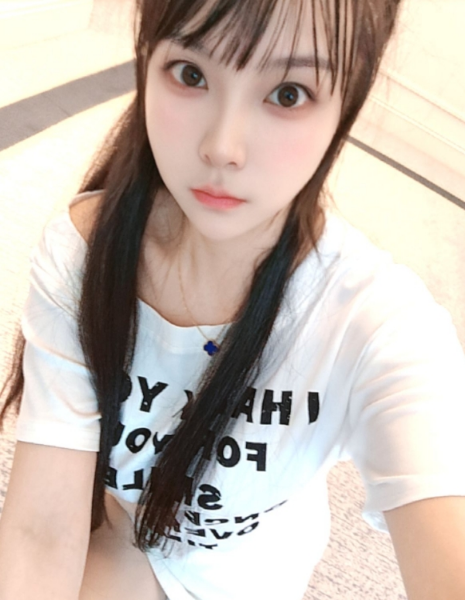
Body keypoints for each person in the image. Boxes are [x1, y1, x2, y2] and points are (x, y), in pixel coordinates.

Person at [0, 0, 465, 598]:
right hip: (132, 537)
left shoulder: (376, 321)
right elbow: (41, 531)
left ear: (345, 103)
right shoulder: (85, 255)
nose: (223, 147)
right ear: (146, 60)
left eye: (289, 94)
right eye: (191, 73)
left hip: (254, 570)